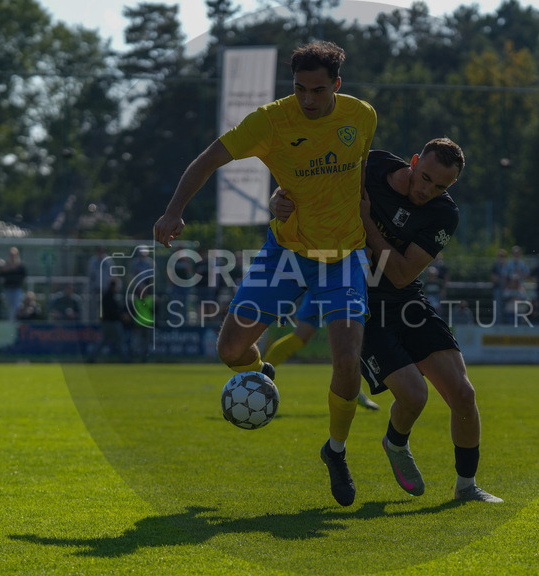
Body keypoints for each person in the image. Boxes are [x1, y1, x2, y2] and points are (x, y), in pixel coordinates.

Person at [152, 41, 376, 507]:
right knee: (231, 349)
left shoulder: (362, 117)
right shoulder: (271, 120)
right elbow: (210, 157)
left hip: (344, 255)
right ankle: (261, 373)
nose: (308, 100)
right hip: (287, 252)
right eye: (299, 89)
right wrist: (174, 211)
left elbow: (353, 179)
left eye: (317, 90)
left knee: (347, 359)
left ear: (336, 85)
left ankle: (335, 450)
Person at [275, 138, 501, 503]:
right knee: (414, 395)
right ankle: (394, 443)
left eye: (440, 186)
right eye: (424, 178)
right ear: (413, 161)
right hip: (360, 303)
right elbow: (313, 181)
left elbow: (399, 274)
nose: (428, 190)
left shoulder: (444, 214)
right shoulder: (374, 165)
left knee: (463, 393)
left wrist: (367, 223)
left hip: (407, 298)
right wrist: (278, 198)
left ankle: (466, 486)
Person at [263, 309, 380, 410]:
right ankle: (260, 372)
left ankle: (355, 393)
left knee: (349, 340)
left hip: (339, 290)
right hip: (322, 288)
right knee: (301, 335)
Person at [0, 246, 28, 320]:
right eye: (11, 255)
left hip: (17, 288)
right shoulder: (6, 265)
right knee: (8, 307)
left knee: (16, 306)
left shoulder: (21, 265)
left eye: (14, 255)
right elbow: (2, 275)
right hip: (8, 289)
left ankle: (14, 322)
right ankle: (10, 322)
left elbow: (24, 276)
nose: (12, 257)